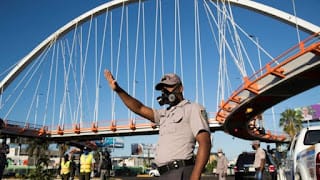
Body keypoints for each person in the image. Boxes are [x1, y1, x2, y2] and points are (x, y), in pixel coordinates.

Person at [104, 70, 211, 180]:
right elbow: (139, 108)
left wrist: (195, 175)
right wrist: (118, 90)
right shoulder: (164, 114)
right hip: (163, 174)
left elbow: (205, 142)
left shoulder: (193, 108)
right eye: (163, 89)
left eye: (169, 87)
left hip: (181, 172)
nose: (165, 91)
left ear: (180, 88)